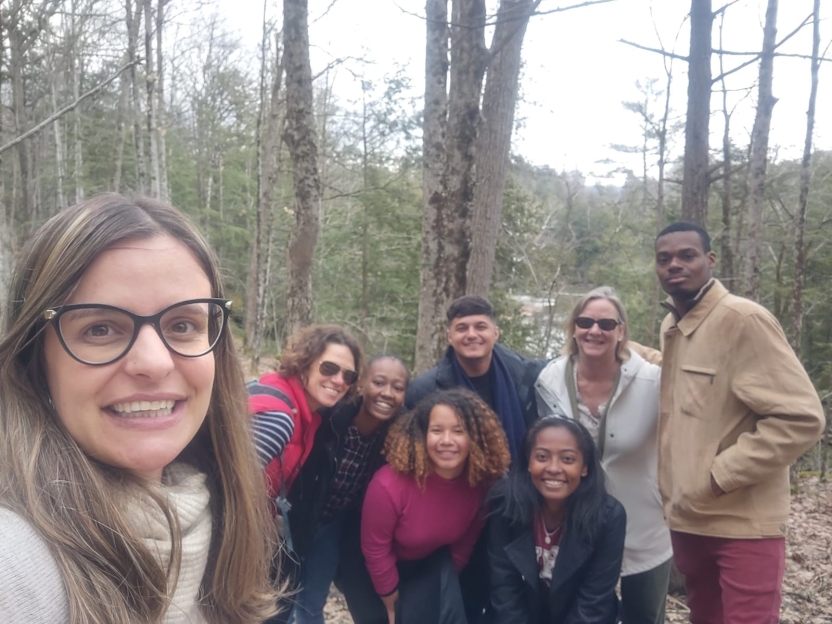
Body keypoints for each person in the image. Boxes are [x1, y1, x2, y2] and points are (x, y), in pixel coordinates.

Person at [0, 194, 280, 623]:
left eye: (183, 325)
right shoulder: (14, 568)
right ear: (34, 360)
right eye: (100, 328)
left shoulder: (217, 527)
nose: (154, 362)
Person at [654, 221, 825, 624]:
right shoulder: (673, 326)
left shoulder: (743, 320)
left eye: (687, 255)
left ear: (710, 260)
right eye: (664, 259)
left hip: (743, 525)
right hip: (689, 520)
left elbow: (801, 416)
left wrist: (717, 476)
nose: (674, 265)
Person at [535, 286, 672, 624]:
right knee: (583, 613)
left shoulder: (653, 382)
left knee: (644, 616)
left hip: (645, 527)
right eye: (585, 321)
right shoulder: (549, 380)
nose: (594, 330)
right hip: (578, 527)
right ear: (574, 327)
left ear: (621, 331)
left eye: (606, 324)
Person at [405, 295, 547, 621]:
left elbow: (575, 363)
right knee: (461, 597)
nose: (472, 334)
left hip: (514, 506)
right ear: (449, 336)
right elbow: (411, 454)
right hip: (456, 510)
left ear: (495, 332)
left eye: (481, 326)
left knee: (509, 595)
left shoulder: (524, 375)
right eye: (462, 328)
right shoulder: (426, 390)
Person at [361, 388, 511, 624]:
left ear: (475, 437)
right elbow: (375, 549)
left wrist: (442, 588)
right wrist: (393, 605)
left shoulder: (480, 485)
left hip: (432, 570)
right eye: (437, 430)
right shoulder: (389, 484)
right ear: (423, 435)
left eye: (459, 431)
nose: (447, 441)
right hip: (379, 573)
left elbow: (465, 542)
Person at [280, 355, 410, 624]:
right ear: (362, 385)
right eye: (379, 382)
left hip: (334, 526)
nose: (387, 393)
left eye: (397, 388)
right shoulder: (332, 418)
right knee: (276, 596)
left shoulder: (398, 438)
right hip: (296, 517)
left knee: (311, 602)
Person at [248, 324, 363, 623]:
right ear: (304, 363)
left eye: (348, 375)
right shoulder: (279, 419)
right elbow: (221, 489)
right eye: (329, 368)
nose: (338, 380)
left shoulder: (307, 416)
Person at [488, 417, 626, 624]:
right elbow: (505, 590)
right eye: (542, 457)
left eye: (567, 459)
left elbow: (593, 600)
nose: (553, 468)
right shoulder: (505, 507)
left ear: (584, 467)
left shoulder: (608, 517)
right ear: (528, 463)